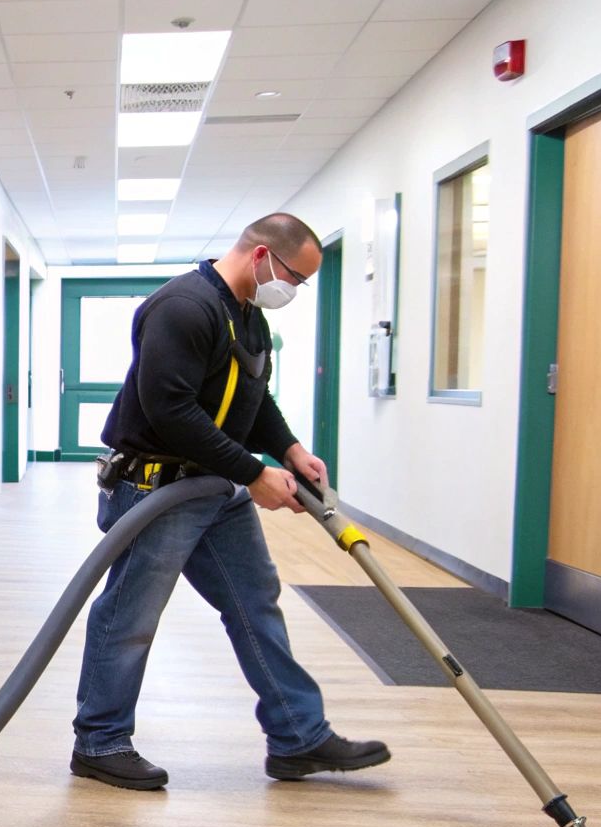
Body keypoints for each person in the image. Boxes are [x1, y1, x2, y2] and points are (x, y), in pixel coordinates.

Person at [69, 212, 390, 791]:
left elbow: (253, 397)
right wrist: (253, 472)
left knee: (255, 603)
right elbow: (171, 409)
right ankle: (100, 741)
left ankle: (298, 736)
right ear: (262, 255)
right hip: (156, 490)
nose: (292, 290)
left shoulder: (249, 316)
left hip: (214, 487)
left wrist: (288, 450)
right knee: (131, 616)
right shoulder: (184, 308)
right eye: (295, 276)